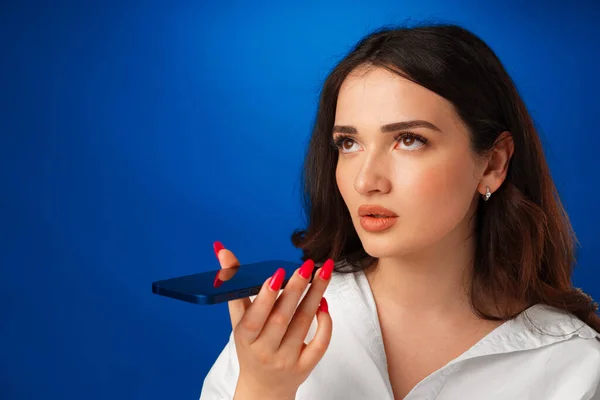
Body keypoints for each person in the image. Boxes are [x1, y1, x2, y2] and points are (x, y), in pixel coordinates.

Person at [199, 23, 600, 400]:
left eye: (409, 140)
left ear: (493, 162)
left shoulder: (576, 366)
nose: (365, 181)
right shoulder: (273, 335)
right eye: (348, 144)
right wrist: (262, 388)